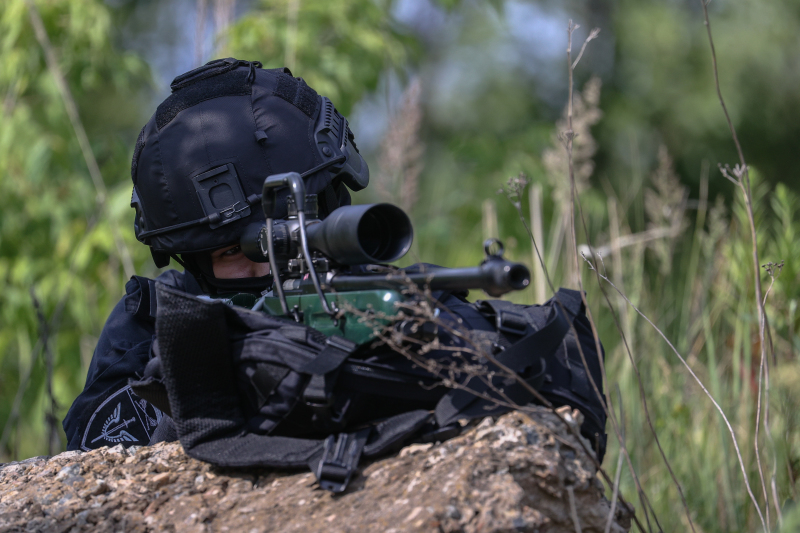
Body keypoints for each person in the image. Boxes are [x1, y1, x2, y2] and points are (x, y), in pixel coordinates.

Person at [62, 58, 370, 451]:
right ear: (196, 263)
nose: (267, 264)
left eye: (285, 238)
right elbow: (99, 459)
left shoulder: (363, 291)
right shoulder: (152, 323)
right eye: (234, 252)